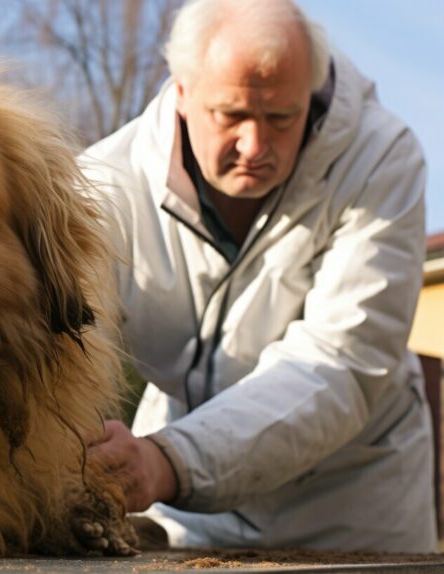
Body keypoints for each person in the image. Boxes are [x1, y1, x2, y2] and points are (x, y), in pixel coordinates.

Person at [80, 0, 434, 552]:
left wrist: (166, 460)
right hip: (184, 509)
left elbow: (339, 367)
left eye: (281, 118)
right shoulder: (106, 186)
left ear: (311, 96)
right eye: (231, 115)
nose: (255, 146)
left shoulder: (382, 162)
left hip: (355, 510)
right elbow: (60, 337)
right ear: (181, 93)